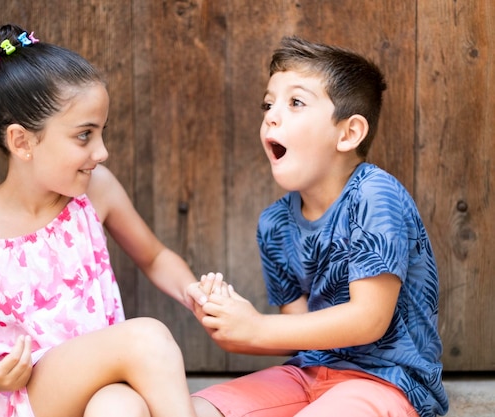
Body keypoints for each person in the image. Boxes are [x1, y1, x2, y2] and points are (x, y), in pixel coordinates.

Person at [0, 23, 202, 417]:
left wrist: (195, 294)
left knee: (121, 408)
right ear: (22, 142)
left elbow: (155, 258)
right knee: (148, 338)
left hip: (101, 389)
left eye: (101, 133)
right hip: (26, 398)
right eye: (84, 136)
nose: (102, 152)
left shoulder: (97, 191)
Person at [189, 36, 449, 417]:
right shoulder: (274, 223)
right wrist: (230, 323)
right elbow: (298, 330)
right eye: (268, 103)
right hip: (307, 374)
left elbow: (368, 320)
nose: (271, 116)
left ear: (348, 133)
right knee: (189, 408)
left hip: (387, 382)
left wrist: (257, 327)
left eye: (295, 102)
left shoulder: (375, 195)